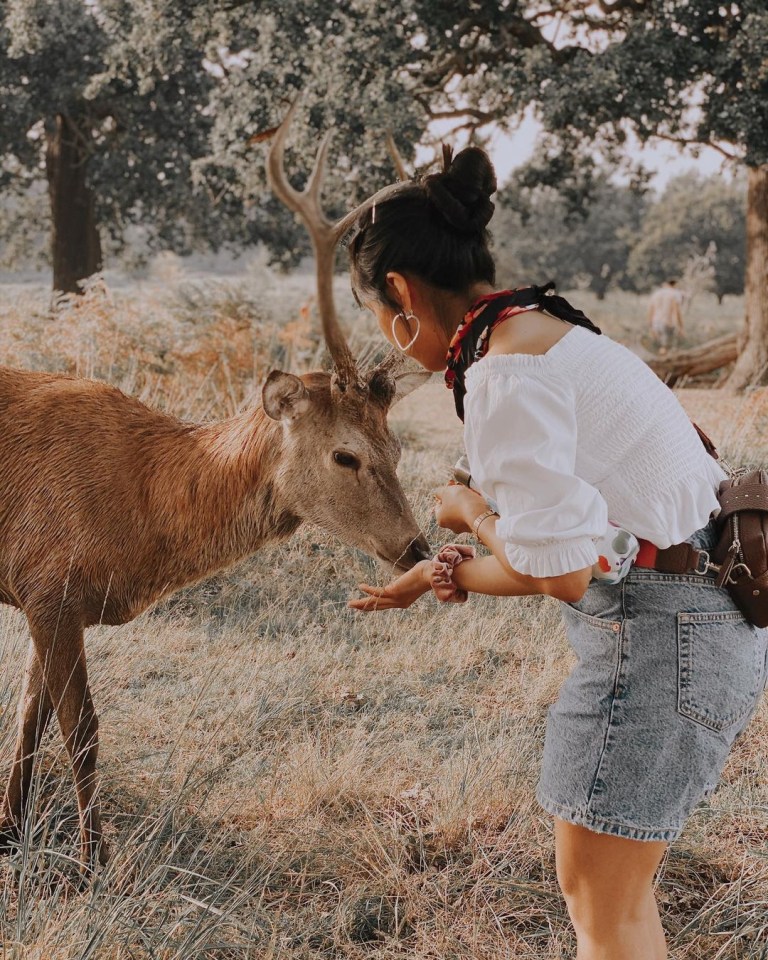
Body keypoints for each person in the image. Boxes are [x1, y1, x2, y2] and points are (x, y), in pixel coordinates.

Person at [344, 146, 768, 960]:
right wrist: (439, 571)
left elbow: (565, 572)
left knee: (602, 914)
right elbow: (604, 541)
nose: (390, 343)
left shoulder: (504, 376)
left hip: (656, 642)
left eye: (376, 320)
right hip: (711, 619)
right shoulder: (558, 333)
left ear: (399, 296)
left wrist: (469, 513)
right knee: (620, 904)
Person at [647, 279, 685, 352]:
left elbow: (650, 311)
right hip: (667, 323)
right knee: (665, 348)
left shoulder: (656, 294)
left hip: (655, 323)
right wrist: (681, 327)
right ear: (674, 284)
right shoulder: (675, 294)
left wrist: (650, 326)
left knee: (658, 348)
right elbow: (676, 311)